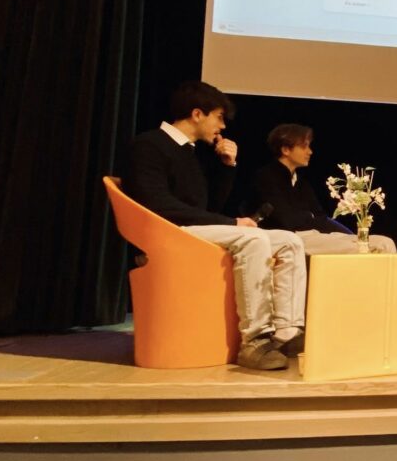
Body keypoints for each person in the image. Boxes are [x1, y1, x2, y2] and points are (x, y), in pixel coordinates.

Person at [123, 81, 306, 370]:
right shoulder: (149, 145)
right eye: (219, 117)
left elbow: (206, 209)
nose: (222, 126)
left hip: (189, 231)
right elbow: (158, 205)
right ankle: (255, 340)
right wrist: (232, 223)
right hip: (165, 233)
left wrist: (226, 166)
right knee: (252, 239)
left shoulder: (192, 153)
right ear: (197, 113)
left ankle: (286, 333)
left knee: (289, 241)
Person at [251, 124, 397, 254]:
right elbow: (286, 220)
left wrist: (351, 235)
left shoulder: (302, 184)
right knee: (363, 249)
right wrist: (310, 217)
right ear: (285, 150)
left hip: (316, 235)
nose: (310, 151)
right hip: (292, 237)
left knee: (384, 242)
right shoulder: (266, 177)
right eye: (304, 146)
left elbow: (320, 217)